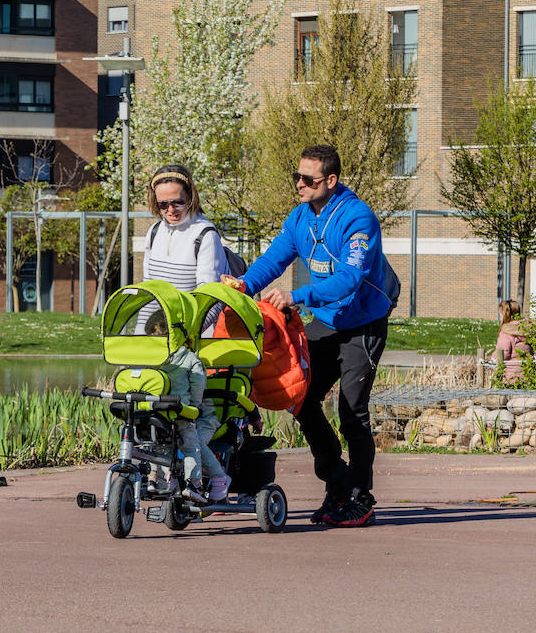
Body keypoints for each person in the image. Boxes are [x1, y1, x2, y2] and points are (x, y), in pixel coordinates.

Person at [230, 144, 392, 528]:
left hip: (363, 323)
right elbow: (274, 258)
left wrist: (296, 296)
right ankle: (337, 481)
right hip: (327, 320)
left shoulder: (358, 218)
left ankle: (361, 497)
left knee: (351, 413)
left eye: (308, 179)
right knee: (298, 397)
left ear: (330, 181)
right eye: (296, 178)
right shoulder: (300, 217)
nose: (299, 185)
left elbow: (350, 279)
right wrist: (243, 285)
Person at [141, 164, 231, 500]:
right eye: (163, 204)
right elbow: (148, 292)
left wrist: (185, 337)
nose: (170, 211)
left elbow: (210, 298)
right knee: (145, 408)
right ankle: (155, 472)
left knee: (183, 419)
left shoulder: (205, 235)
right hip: (156, 337)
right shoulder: (153, 232)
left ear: (190, 196)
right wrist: (141, 340)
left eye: (177, 203)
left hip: (186, 338)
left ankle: (198, 476)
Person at [143, 311, 212, 503]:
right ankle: (194, 484)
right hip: (179, 411)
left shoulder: (151, 357)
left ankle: (155, 480)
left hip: (155, 411)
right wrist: (195, 406)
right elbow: (198, 384)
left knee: (157, 445)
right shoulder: (188, 358)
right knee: (191, 448)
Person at [494, 299, 532, 382]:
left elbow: (503, 354)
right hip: (528, 375)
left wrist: (492, 359)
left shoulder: (506, 333)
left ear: (505, 314)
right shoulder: (528, 330)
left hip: (511, 377)